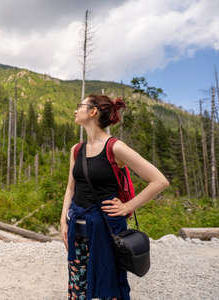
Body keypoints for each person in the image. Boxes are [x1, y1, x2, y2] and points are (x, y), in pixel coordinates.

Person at [60, 94, 170, 300]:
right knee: (78, 285)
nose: (75, 110)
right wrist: (63, 220)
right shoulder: (76, 150)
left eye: (80, 106)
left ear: (93, 112)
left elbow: (159, 180)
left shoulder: (115, 148)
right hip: (78, 227)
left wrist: (128, 206)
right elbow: (70, 188)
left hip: (107, 229)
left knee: (109, 285)